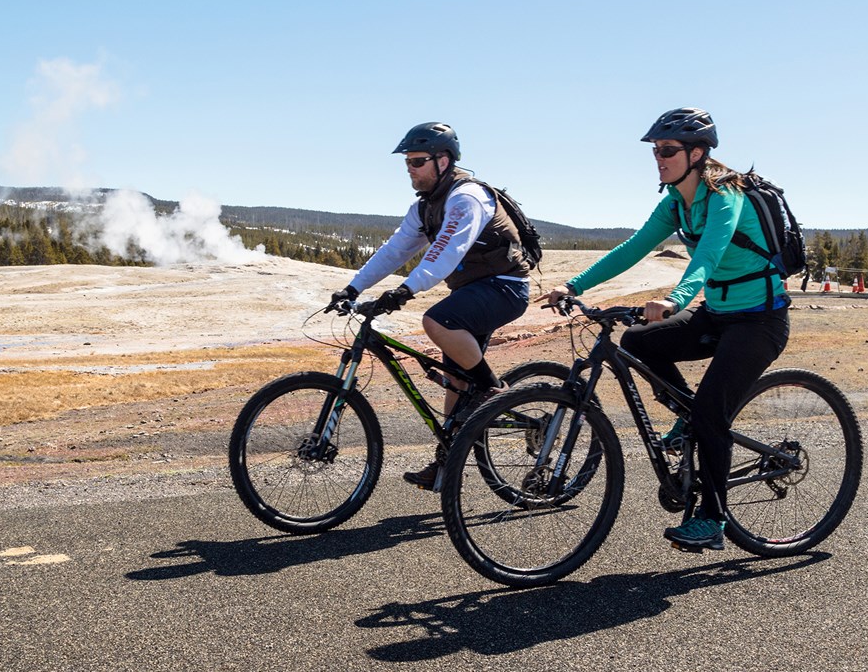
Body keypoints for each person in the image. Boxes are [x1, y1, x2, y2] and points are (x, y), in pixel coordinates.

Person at [539, 107, 791, 551]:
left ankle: (713, 520)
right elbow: (633, 247)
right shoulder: (676, 201)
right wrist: (572, 284)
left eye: (668, 150)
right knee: (639, 341)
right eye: (656, 150)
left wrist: (675, 299)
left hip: (760, 320)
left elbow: (707, 256)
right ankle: (688, 418)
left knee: (713, 411)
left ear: (697, 153)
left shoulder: (724, 196)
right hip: (718, 312)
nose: (659, 157)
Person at [330, 122, 532, 491]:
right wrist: (352, 288)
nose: (410, 168)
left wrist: (405, 291)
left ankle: (492, 391)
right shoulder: (425, 207)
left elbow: (446, 250)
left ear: (444, 160)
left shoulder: (466, 197)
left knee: (438, 321)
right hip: (472, 292)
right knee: (456, 380)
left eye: (418, 161)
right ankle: (445, 465)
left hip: (505, 287)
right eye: (407, 162)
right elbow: (395, 250)